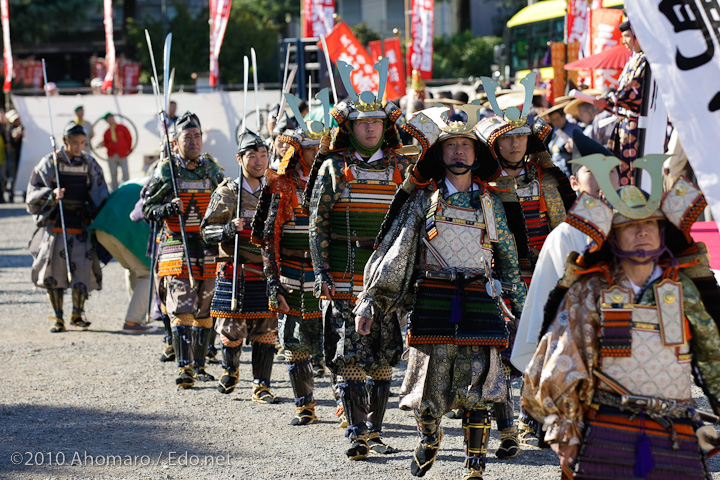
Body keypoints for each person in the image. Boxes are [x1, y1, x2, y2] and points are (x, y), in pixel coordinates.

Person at [523, 150, 720, 479]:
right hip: (608, 425)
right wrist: (564, 428)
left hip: (677, 428)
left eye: (649, 225)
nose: (642, 232)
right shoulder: (591, 289)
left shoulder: (682, 288)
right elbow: (564, 359)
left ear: (661, 232)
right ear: (612, 236)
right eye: (630, 226)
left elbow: (713, 351)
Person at [354, 106, 527, 479]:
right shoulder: (422, 200)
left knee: (477, 382)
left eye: (466, 145)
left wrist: (523, 309)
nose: (460, 152)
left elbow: (509, 260)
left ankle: (475, 464)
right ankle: (429, 437)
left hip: (481, 297)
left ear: (477, 153)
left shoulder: (491, 203)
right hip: (432, 296)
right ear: (439, 153)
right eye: (451, 146)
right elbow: (395, 251)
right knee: (430, 382)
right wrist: (371, 299)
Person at [307, 60, 411, 460]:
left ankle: (378, 431)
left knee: (385, 356)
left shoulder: (403, 168)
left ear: (386, 127)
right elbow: (317, 225)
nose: (370, 129)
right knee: (349, 355)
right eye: (362, 123)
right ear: (349, 128)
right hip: (345, 273)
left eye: (376, 123)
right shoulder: (333, 168)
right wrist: (320, 273)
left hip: (387, 277)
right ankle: (356, 432)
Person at [476, 78, 576, 448]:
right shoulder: (481, 182)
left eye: (520, 137)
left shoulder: (548, 178)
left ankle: (532, 418)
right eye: (507, 138)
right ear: (496, 143)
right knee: (501, 349)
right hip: (499, 278)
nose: (515, 143)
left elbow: (567, 224)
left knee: (544, 345)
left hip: (545, 273)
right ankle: (502, 422)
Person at [510, 130, 620, 374]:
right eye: (592, 172)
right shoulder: (565, 234)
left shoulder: (630, 229)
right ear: (574, 183)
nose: (603, 179)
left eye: (611, 172)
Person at [143, 112, 224, 388]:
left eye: (197, 136)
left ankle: (200, 365)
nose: (193, 141)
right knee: (182, 306)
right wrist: (167, 208)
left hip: (208, 246)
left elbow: (228, 196)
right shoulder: (166, 170)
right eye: (187, 137)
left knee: (206, 308)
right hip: (177, 246)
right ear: (176, 143)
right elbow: (147, 207)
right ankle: (184, 367)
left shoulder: (212, 169)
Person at [252, 122, 324, 423]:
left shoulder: (333, 179)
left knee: (335, 342)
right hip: (292, 271)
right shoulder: (280, 184)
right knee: (293, 341)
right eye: (310, 148)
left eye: (319, 147)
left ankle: (346, 409)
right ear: (298, 150)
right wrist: (272, 281)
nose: (316, 153)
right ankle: (304, 405)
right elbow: (269, 236)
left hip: (327, 271)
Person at [201, 129, 280, 403]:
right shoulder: (226, 192)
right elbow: (205, 232)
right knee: (232, 330)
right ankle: (230, 370)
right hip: (236, 270)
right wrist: (226, 230)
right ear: (239, 158)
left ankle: (262, 385)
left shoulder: (275, 190)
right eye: (252, 156)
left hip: (266, 271)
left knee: (267, 331)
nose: (259, 161)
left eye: (263, 155)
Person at [26, 122, 109, 332]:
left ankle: (77, 314)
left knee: (81, 270)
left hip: (81, 223)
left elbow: (100, 192)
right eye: (75, 143)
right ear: (65, 141)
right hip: (56, 224)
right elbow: (34, 190)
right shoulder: (50, 162)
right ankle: (57, 317)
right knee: (54, 271)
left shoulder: (89, 162)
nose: (79, 147)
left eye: (82, 143)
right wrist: (51, 195)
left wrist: (96, 213)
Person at [89, 178, 157, 334]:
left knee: (133, 268)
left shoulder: (137, 180)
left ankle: (138, 313)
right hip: (124, 230)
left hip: (102, 228)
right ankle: (133, 322)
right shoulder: (160, 182)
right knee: (147, 274)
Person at [593, 19, 646, 185]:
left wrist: (609, 101)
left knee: (636, 173)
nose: (623, 41)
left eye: (627, 36)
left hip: (640, 124)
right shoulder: (634, 59)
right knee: (623, 169)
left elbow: (632, 91)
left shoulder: (646, 60)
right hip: (627, 123)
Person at [540, 102, 583, 178]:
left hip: (572, 169)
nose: (556, 122)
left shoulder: (575, 129)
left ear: (564, 116)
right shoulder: (555, 131)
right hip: (558, 169)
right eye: (553, 120)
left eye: (557, 118)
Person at [101, 113, 132, 191]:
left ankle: (127, 189)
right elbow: (105, 143)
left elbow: (129, 138)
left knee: (125, 173)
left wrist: (127, 150)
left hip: (122, 154)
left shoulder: (122, 128)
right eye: (107, 119)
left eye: (110, 118)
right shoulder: (107, 132)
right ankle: (114, 191)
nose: (109, 120)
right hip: (112, 155)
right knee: (113, 174)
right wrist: (111, 148)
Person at [6, 109, 23, 202]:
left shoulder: (22, 127)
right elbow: (12, 141)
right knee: (12, 176)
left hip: (20, 155)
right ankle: (11, 194)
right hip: (13, 156)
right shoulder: (10, 129)